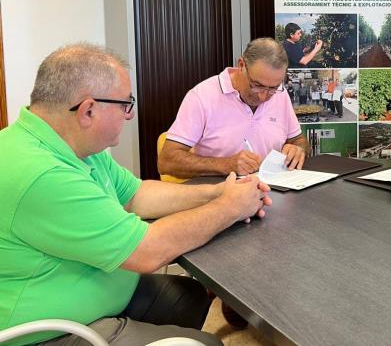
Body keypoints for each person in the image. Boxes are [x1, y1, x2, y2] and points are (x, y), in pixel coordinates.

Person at [0, 43, 272, 345]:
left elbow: (136, 195)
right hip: (51, 330)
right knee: (209, 344)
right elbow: (147, 251)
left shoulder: (73, 144)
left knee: (190, 297)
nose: (129, 116)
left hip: (102, 289)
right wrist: (229, 207)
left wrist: (219, 192)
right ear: (88, 110)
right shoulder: (43, 174)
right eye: (125, 104)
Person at [158, 38, 309, 179]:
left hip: (273, 188)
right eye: (257, 85)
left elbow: (298, 139)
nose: (264, 96)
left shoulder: (280, 94)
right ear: (241, 65)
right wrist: (225, 165)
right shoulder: (202, 96)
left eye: (273, 88)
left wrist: (298, 149)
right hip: (219, 192)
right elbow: (167, 162)